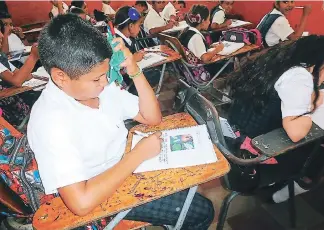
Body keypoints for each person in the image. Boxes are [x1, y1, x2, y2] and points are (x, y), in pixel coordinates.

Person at [27, 14, 214, 229]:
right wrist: (138, 155)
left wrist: (134, 70)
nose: (105, 82)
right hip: (104, 193)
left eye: (105, 74)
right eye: (96, 78)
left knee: (191, 186)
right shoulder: (51, 121)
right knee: (202, 211)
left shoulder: (98, 87)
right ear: (60, 77)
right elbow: (81, 202)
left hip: (125, 166)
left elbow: (151, 118)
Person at [228, 35, 324, 203]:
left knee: (313, 146)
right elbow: (296, 133)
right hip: (253, 159)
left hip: (234, 142)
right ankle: (277, 197)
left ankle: (278, 184)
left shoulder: (280, 61)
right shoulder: (300, 77)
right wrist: (313, 105)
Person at [0, 20, 40, 126]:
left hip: (15, 98)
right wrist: (33, 57)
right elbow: (17, 80)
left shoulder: (1, 58)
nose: (2, 35)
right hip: (7, 109)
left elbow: (24, 75)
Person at [114, 6, 160, 94]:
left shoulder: (127, 38)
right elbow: (115, 71)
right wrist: (133, 59)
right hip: (126, 83)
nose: (140, 29)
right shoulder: (117, 42)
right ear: (131, 26)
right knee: (158, 74)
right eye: (139, 26)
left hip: (131, 74)